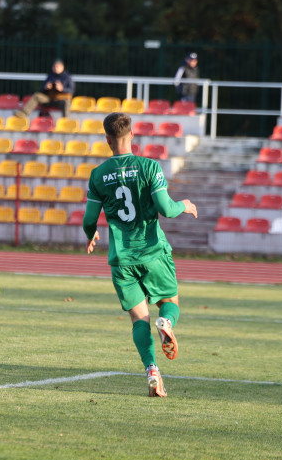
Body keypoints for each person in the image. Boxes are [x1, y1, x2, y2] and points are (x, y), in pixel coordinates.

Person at [83, 113, 199, 398]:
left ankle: (152, 370)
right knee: (170, 302)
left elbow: (89, 219)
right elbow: (167, 209)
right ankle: (168, 323)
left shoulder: (98, 175)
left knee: (139, 320)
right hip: (154, 253)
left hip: (122, 259)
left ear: (107, 140)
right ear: (132, 135)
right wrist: (185, 204)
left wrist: (91, 235)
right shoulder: (149, 167)